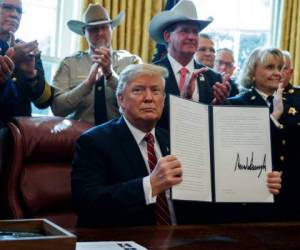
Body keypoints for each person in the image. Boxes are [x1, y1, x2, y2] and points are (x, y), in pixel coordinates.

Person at [72, 63, 282, 227]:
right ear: (121, 100)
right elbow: (87, 204)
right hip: (129, 238)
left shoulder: (177, 139)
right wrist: (149, 185)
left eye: (155, 91)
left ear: (163, 100)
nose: (148, 98)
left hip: (183, 237)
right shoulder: (94, 141)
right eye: (138, 90)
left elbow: (212, 194)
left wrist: (255, 184)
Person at [229, 47, 300, 220]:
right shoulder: (237, 104)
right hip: (256, 195)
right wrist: (274, 117)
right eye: (270, 67)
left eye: (280, 68)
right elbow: (242, 151)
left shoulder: (296, 100)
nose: (277, 73)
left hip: (293, 193)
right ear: (253, 72)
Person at [51, 4, 142, 125]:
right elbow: (57, 109)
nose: (99, 33)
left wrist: (110, 75)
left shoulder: (131, 62)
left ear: (112, 29)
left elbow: (141, 101)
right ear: (84, 32)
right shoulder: (69, 64)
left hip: (120, 138)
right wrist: (87, 84)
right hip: (81, 139)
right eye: (92, 29)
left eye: (104, 27)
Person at [149, 0, 230, 130]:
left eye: (195, 32)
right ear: (167, 36)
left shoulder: (214, 78)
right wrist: (182, 101)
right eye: (184, 31)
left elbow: (223, 126)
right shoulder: (151, 74)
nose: (192, 37)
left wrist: (218, 105)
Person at [0, 0, 53, 122]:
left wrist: (31, 75)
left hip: (22, 136)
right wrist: (10, 61)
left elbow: (44, 102)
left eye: (19, 11)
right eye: (7, 8)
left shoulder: (28, 51)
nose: (15, 15)